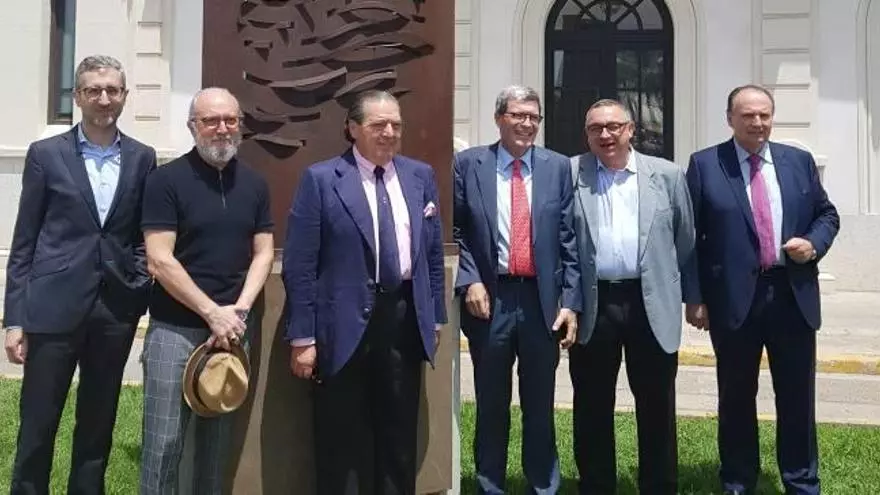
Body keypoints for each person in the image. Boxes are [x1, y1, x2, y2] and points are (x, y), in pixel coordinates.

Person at [2, 55, 155, 494]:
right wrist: (15, 319)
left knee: (97, 426)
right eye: (93, 90)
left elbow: (141, 233)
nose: (104, 99)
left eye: (112, 90)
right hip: (52, 308)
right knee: (38, 425)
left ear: (124, 96)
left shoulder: (142, 158)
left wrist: (138, 282)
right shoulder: (46, 155)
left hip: (115, 310)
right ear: (78, 97)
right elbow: (25, 241)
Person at [283, 89, 447, 495]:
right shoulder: (322, 179)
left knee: (398, 436)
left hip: (403, 321)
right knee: (341, 440)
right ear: (353, 128)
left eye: (396, 125)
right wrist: (303, 337)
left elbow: (430, 254)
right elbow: (300, 265)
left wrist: (435, 318)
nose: (389, 132)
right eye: (378, 125)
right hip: (341, 325)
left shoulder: (420, 176)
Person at [683, 84, 840, 495]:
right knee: (736, 396)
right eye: (748, 115)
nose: (757, 122)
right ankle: (738, 481)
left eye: (764, 115)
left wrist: (813, 244)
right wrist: (694, 296)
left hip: (792, 295)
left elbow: (827, 214)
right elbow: (690, 237)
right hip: (733, 300)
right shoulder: (705, 164)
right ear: (730, 119)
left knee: (797, 397)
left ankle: (801, 481)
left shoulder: (798, 162)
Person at [139, 87, 274, 494]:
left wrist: (239, 312)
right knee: (163, 444)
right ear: (192, 126)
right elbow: (159, 259)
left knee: (216, 450)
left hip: (233, 331)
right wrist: (211, 312)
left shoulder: (255, 184)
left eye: (230, 120)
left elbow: (263, 253)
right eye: (211, 120)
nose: (222, 128)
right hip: (175, 328)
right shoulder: (165, 181)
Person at [453, 85, 580, 494]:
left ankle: (543, 485)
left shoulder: (557, 167)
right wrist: (469, 278)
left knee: (540, 403)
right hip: (490, 299)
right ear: (499, 119)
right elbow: (455, 231)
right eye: (518, 115)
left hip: (542, 301)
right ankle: (490, 485)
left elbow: (569, 238)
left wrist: (570, 301)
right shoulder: (469, 164)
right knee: (491, 402)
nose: (527, 124)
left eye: (533, 117)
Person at [568, 99, 694, 494]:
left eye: (614, 126)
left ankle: (659, 485)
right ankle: (596, 485)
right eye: (596, 128)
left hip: (649, 301)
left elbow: (684, 239)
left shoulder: (667, 175)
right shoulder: (570, 173)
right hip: (595, 303)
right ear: (586, 134)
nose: (605, 135)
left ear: (631, 130)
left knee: (657, 403)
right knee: (591, 403)